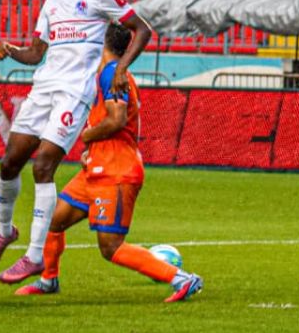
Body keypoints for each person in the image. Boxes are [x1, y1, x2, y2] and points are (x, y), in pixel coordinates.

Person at [0, 0, 154, 284]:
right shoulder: (51, 5)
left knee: (43, 166)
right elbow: (35, 54)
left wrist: (121, 69)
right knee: (9, 162)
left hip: (73, 94)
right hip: (43, 89)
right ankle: (5, 231)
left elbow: (142, 30)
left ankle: (33, 257)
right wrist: (10, 49)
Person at [16, 22, 203, 302]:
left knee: (111, 246)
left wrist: (88, 135)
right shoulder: (106, 73)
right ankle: (48, 280)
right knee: (53, 222)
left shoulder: (111, 74)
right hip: (96, 168)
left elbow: (116, 120)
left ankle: (182, 279)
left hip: (116, 172)